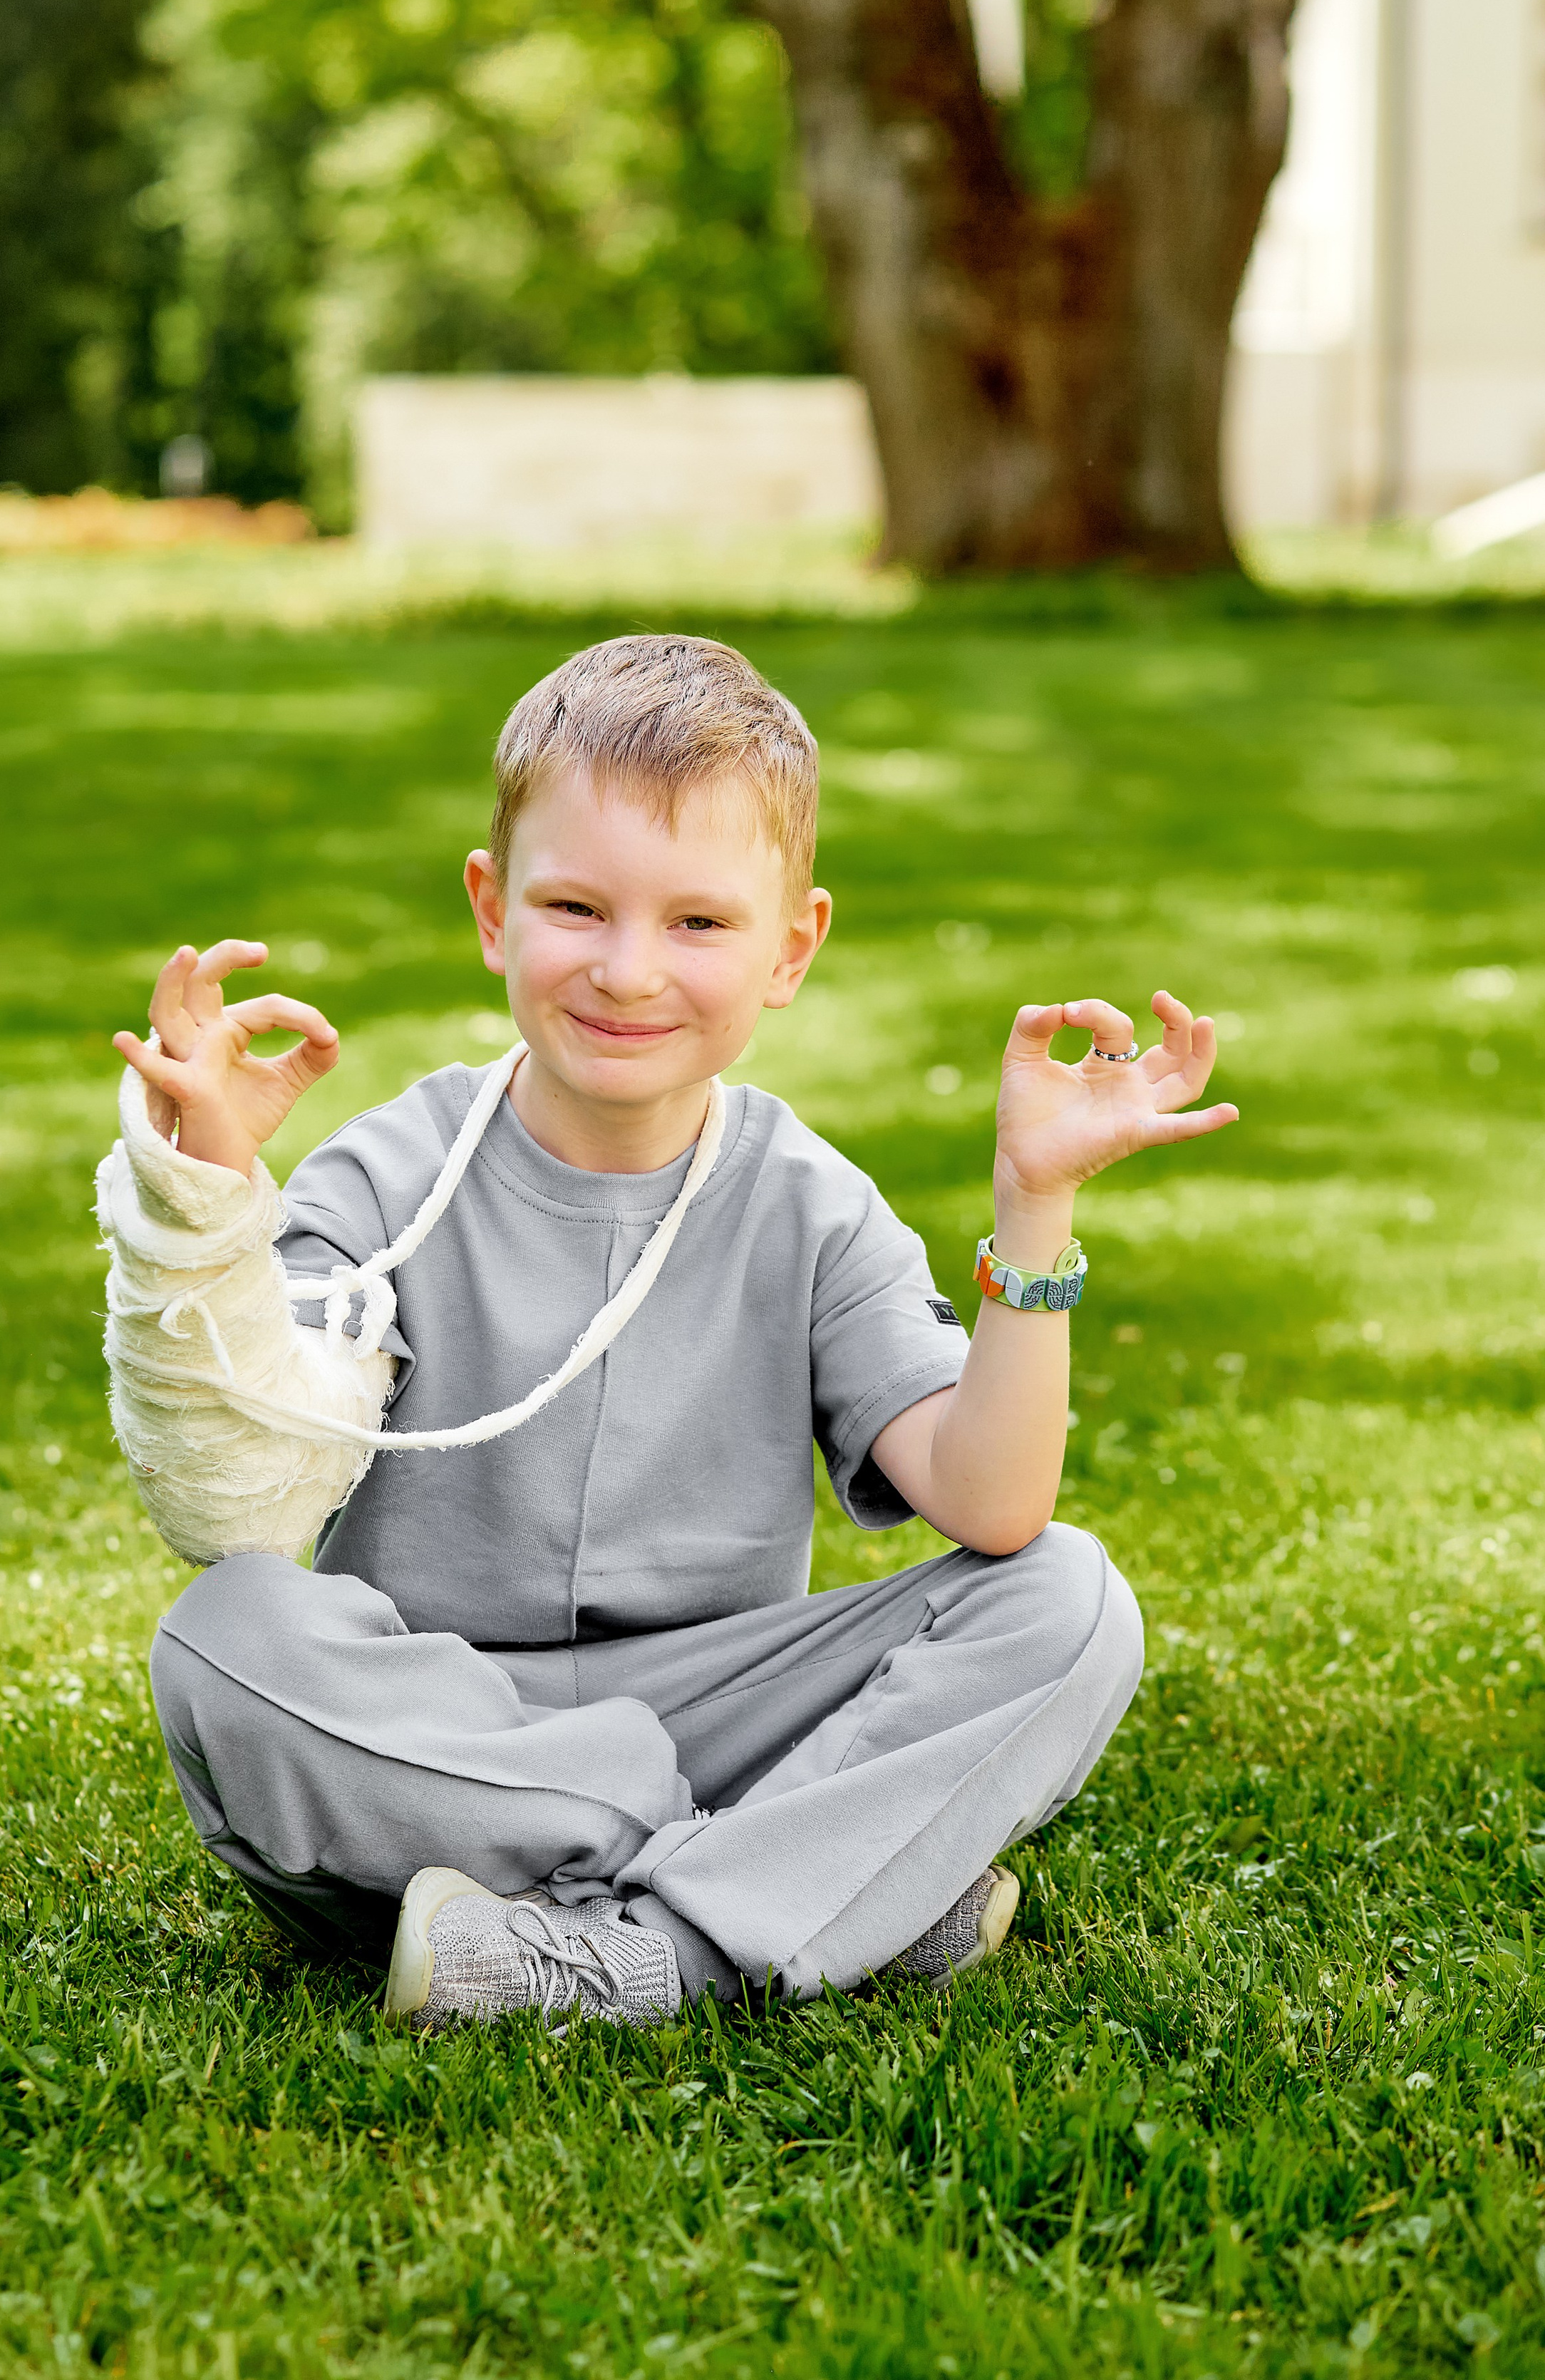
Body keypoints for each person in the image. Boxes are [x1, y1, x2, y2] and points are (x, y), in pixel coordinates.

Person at [105, 635, 1236, 2031]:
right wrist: (208, 1197)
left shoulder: (812, 1206)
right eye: (576, 907)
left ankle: (628, 1962)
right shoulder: (384, 1177)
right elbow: (247, 1489)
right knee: (224, 1638)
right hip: (441, 1740)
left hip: (721, 1700)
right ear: (489, 909)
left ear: (791, 948)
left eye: (697, 925)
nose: (628, 973)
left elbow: (993, 1504)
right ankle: (817, 1888)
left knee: (1066, 1602)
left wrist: (1036, 1210)